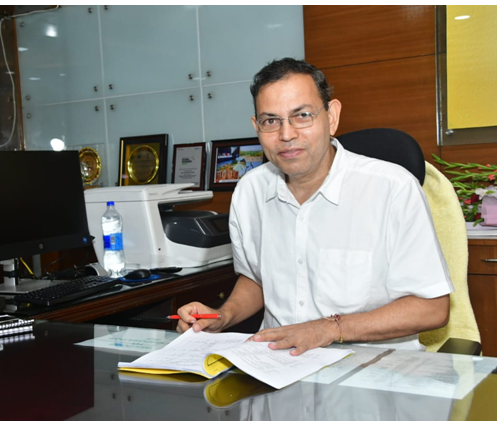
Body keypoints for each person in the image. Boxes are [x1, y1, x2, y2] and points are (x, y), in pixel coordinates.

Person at [176, 58, 453, 354]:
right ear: (256, 127)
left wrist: (329, 329)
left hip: (373, 367)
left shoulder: (393, 188)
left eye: (302, 115)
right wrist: (223, 316)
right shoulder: (249, 190)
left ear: (331, 116)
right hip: (276, 363)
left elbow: (432, 308)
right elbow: (257, 280)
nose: (286, 135)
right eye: (271, 121)